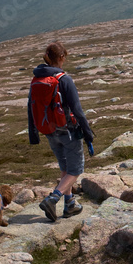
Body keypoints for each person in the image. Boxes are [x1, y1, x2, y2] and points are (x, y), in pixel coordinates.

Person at [27, 41, 94, 221]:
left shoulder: (37, 79)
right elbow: (77, 110)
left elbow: (31, 107)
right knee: (75, 169)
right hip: (68, 131)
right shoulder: (64, 79)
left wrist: (33, 134)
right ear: (62, 57)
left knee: (65, 167)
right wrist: (88, 132)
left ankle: (70, 203)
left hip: (49, 132)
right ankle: (53, 198)